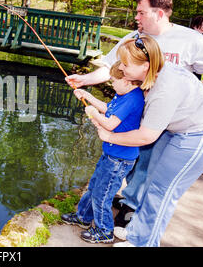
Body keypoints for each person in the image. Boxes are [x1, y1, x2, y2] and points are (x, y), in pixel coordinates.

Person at [65, 0, 203, 228]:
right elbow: (111, 68)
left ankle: (131, 208)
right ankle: (127, 203)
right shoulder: (134, 39)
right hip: (139, 113)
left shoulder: (192, 40)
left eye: (141, 13)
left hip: (179, 121)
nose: (136, 17)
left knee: (152, 168)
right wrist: (84, 80)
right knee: (137, 159)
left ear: (160, 14)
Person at [93, 35, 203, 247]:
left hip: (197, 135)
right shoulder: (151, 75)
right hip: (173, 129)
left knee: (162, 191)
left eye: (126, 65)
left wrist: (109, 136)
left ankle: (143, 243)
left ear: (145, 65)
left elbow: (146, 136)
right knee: (152, 182)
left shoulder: (164, 89)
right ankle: (137, 232)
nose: (122, 69)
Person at [61, 61, 145, 244]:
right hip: (110, 153)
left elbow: (109, 124)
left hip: (120, 158)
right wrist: (86, 96)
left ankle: (104, 230)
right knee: (94, 186)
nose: (112, 85)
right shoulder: (123, 94)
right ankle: (83, 217)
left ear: (128, 81)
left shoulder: (133, 98)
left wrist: (93, 114)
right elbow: (109, 109)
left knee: (103, 194)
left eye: (114, 81)